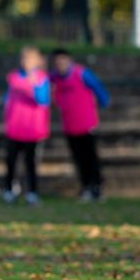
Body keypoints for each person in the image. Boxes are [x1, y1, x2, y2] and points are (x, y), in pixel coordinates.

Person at [50, 48, 110, 202]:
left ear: (69, 60)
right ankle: (85, 187)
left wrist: (104, 102)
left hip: (87, 123)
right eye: (57, 62)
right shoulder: (53, 78)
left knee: (91, 157)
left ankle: (97, 187)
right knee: (78, 158)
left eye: (63, 61)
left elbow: (98, 88)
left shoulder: (81, 74)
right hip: (69, 125)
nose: (60, 64)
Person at [2, 47, 50, 206]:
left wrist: (33, 84)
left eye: (30, 59)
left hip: (32, 130)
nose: (27, 62)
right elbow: (6, 100)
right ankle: (9, 191)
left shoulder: (42, 79)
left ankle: (32, 193)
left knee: (31, 164)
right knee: (11, 162)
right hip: (14, 128)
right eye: (24, 59)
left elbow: (43, 100)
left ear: (37, 61)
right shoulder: (14, 78)